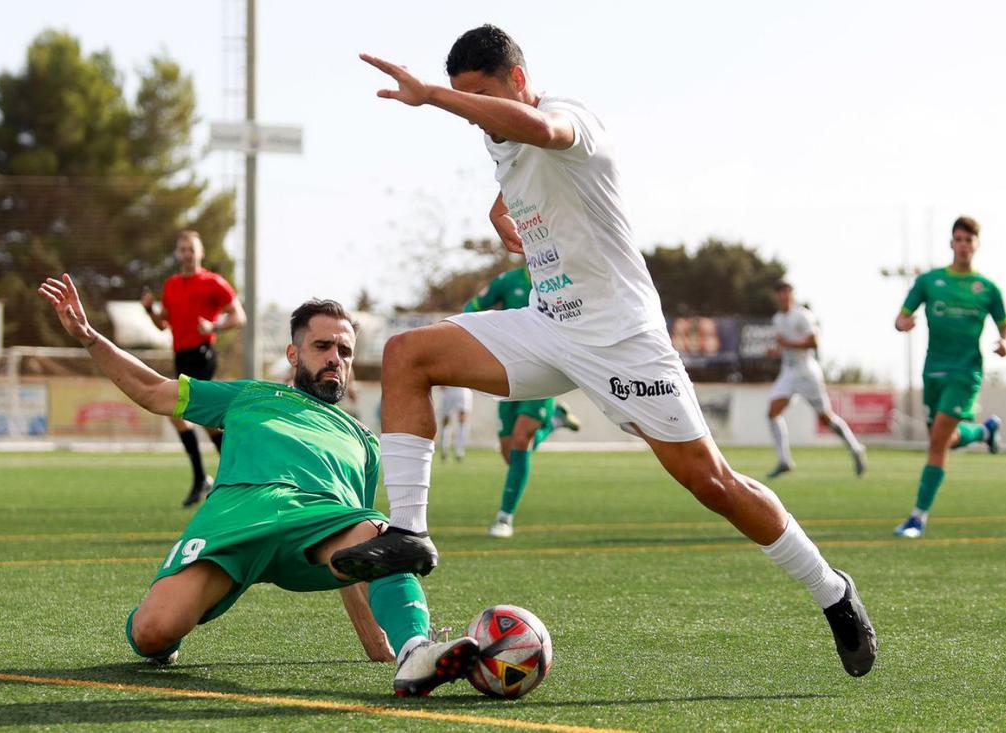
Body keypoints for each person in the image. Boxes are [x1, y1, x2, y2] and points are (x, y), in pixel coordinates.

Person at [333, 25, 876, 677]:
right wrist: (501, 209)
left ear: (519, 82)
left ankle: (832, 591)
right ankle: (409, 531)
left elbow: (551, 138)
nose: (472, 112)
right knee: (406, 354)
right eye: (462, 98)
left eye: (479, 95)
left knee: (713, 483)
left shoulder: (570, 117)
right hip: (548, 324)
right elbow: (525, 165)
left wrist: (432, 98)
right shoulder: (499, 134)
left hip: (621, 338)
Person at [39, 275, 479, 697]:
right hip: (235, 518)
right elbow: (154, 391)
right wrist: (89, 336)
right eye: (322, 346)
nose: (335, 358)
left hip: (315, 525)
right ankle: (164, 632)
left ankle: (416, 652)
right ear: (293, 353)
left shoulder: (364, 441)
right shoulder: (250, 395)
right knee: (152, 632)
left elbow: (360, 557)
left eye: (345, 350)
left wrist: (378, 640)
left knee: (388, 537)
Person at [893, 216, 1006, 538]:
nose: (963, 245)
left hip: (966, 371)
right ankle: (985, 432)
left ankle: (917, 517)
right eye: (958, 239)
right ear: (951, 243)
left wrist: (1005, 342)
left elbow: (1004, 323)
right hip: (934, 371)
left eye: (969, 240)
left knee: (939, 439)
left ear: (976, 245)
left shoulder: (987, 289)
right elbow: (901, 317)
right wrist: (902, 324)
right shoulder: (929, 281)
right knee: (942, 440)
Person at [463, 266, 581, 538]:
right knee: (510, 453)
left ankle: (504, 518)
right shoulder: (509, 280)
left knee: (520, 440)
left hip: (547, 370)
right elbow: (474, 306)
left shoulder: (563, 280)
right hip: (508, 371)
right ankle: (552, 422)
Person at [142, 231, 246, 507]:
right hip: (180, 355)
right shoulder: (172, 284)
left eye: (191, 249)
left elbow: (239, 316)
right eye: (182, 249)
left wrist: (214, 326)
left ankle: (207, 477)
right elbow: (162, 325)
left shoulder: (213, 282)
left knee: (181, 408)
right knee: (198, 417)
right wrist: (150, 310)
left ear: (200, 253)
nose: (187, 253)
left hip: (203, 353)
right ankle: (235, 473)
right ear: (177, 254)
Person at [765, 281, 867, 478]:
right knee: (772, 412)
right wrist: (775, 350)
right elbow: (783, 345)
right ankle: (784, 460)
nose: (783, 296)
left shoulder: (802, 316)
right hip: (788, 372)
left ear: (792, 295)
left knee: (826, 418)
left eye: (786, 292)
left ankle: (855, 448)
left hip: (807, 373)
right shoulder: (777, 319)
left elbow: (814, 342)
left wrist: (787, 344)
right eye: (780, 293)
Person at [435, 386, 473, 462]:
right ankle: (444, 450)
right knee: (446, 420)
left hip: (463, 388)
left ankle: (459, 452)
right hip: (449, 387)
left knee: (463, 419)